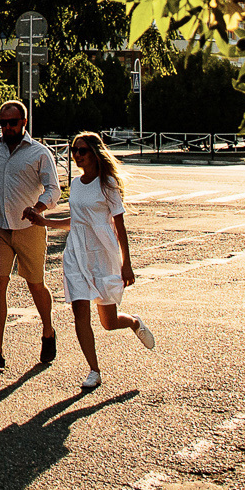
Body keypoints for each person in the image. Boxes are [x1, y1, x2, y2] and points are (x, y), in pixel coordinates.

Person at [62, 131, 158, 390]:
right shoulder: (75, 184)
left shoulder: (108, 184)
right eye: (74, 150)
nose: (77, 155)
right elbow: (76, 221)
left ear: (95, 153)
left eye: (82, 150)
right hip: (76, 254)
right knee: (80, 312)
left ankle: (134, 322)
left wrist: (127, 264)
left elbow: (119, 225)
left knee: (108, 322)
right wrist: (44, 221)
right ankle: (94, 370)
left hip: (102, 254)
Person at [0, 100, 61, 369]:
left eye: (12, 123)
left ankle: (48, 331)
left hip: (29, 228)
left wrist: (38, 208)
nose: (7, 127)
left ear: (24, 122)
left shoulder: (39, 153)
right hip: (0, 227)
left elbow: (53, 189)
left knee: (36, 285)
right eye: (3, 123)